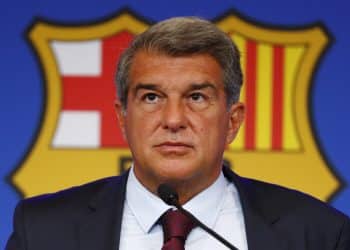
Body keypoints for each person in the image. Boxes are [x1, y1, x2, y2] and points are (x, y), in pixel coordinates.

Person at [6, 17, 350, 250]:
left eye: (197, 97)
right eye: (152, 97)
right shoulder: (43, 232)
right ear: (122, 117)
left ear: (232, 121)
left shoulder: (318, 233)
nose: (173, 119)